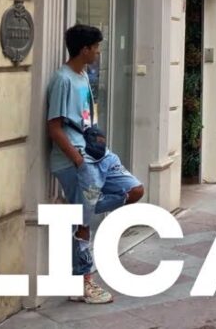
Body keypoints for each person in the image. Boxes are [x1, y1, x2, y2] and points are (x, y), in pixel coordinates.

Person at [47, 24, 144, 305]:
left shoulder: (83, 76)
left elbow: (87, 117)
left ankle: (78, 210)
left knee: (135, 190)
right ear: (84, 49)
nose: (99, 52)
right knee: (84, 224)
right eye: (96, 47)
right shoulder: (62, 79)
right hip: (76, 160)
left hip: (97, 155)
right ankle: (83, 284)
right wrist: (78, 161)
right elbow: (54, 127)